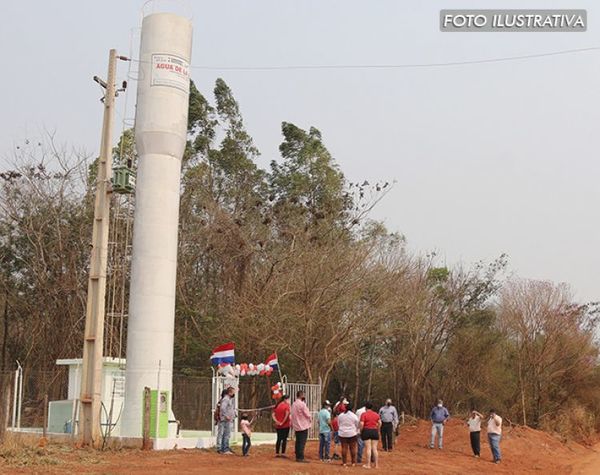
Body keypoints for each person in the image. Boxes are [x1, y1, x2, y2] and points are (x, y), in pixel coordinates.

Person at [291, 390, 312, 463]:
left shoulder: (294, 404)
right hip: (303, 425)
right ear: (301, 395)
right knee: (302, 442)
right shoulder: (302, 404)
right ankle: (301, 457)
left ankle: (298, 456)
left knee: (298, 441)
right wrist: (310, 418)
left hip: (296, 425)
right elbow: (307, 414)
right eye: (304, 395)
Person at [359, 401, 381, 469]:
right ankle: (376, 465)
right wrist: (378, 429)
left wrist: (361, 431)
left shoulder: (364, 414)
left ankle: (368, 465)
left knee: (368, 448)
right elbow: (380, 423)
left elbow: (362, 424)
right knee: (375, 448)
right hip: (374, 431)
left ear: (365, 407)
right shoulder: (376, 414)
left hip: (366, 430)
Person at [337, 401, 359, 467]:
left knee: (344, 448)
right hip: (352, 433)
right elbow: (357, 424)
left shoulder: (341, 415)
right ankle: (353, 463)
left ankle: (344, 463)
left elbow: (339, 424)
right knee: (353, 448)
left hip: (342, 433)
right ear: (352, 409)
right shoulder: (354, 416)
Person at [218, 386, 236, 455]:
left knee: (227, 434)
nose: (234, 394)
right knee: (225, 434)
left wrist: (234, 414)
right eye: (233, 392)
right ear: (230, 392)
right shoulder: (226, 399)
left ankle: (225, 447)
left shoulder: (229, 399)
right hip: (225, 419)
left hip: (228, 419)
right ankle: (224, 448)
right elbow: (222, 408)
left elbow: (229, 409)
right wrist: (227, 416)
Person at [214, 389, 227, 453]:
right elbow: (217, 411)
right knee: (220, 433)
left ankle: (224, 447)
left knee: (225, 434)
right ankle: (219, 447)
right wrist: (216, 419)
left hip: (226, 420)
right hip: (221, 420)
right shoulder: (221, 401)